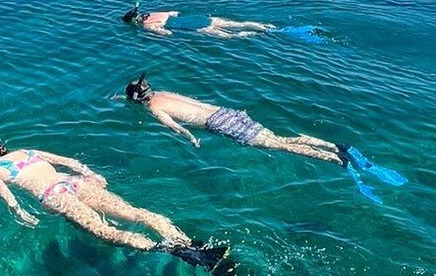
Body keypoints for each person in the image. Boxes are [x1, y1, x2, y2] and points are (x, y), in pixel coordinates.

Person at [0, 138, 242, 276]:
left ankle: (174, 250)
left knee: (107, 232)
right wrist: (91, 173)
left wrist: (18, 211)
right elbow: (69, 162)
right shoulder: (26, 151)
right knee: (136, 213)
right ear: (2, 147)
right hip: (74, 182)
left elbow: (4, 193)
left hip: (56, 197)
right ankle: (192, 243)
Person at [123, 76, 406, 202]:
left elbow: (175, 126)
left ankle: (337, 160)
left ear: (138, 101)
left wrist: (190, 139)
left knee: (279, 147)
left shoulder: (153, 108)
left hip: (218, 124)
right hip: (228, 112)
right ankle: (335, 146)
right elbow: (193, 102)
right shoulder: (164, 94)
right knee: (279, 138)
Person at [122, 5, 325, 42]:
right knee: (238, 23)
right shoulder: (155, 13)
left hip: (197, 28)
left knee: (230, 36)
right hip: (202, 19)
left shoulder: (148, 27)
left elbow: (168, 35)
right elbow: (175, 12)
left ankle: (261, 35)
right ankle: (268, 27)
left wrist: (156, 34)